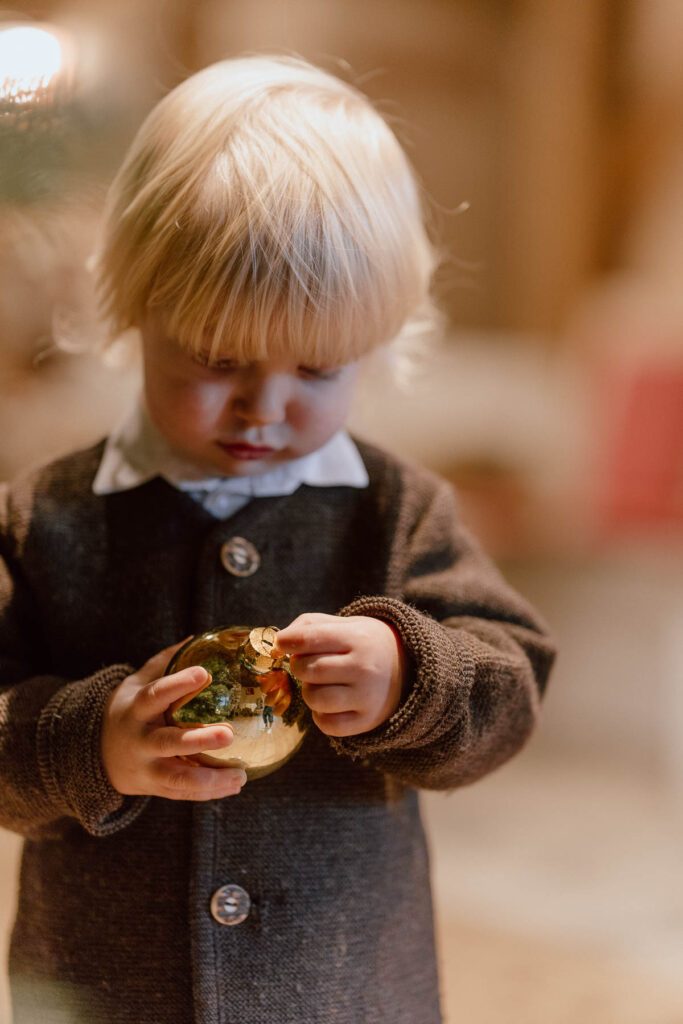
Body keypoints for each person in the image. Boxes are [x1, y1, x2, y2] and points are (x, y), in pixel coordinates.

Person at [0, 55, 556, 1024]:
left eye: (317, 366)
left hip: (342, 993)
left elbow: (509, 689)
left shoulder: (393, 510)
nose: (265, 403)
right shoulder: (49, 514)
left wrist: (408, 676)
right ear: (133, 311)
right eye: (217, 359)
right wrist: (95, 743)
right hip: (106, 995)